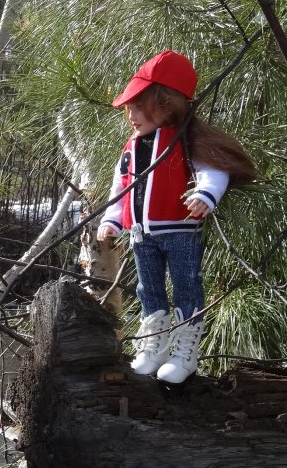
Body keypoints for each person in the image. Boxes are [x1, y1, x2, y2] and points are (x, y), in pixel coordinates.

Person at [97, 50, 256, 384]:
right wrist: (112, 218)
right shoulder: (132, 146)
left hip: (181, 229)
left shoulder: (186, 139)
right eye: (129, 108)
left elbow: (214, 170)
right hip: (141, 233)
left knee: (187, 285)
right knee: (148, 289)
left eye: (139, 106)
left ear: (167, 104)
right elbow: (121, 186)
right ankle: (154, 345)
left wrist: (206, 194)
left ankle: (185, 351)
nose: (131, 116)